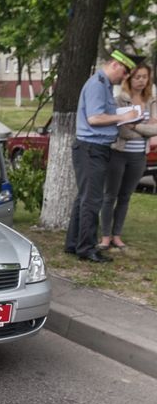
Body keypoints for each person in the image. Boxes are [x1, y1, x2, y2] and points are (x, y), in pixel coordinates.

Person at [64, 50, 142, 264]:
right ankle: (87, 249)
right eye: (125, 72)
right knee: (92, 200)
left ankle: (74, 244)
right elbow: (95, 118)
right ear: (115, 65)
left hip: (92, 148)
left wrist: (121, 119)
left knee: (84, 198)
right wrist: (122, 116)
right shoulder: (98, 84)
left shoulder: (104, 84)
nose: (125, 77)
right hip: (91, 148)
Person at [99, 62, 157, 250]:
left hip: (139, 156)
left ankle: (117, 236)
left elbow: (154, 130)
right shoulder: (119, 100)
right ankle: (105, 236)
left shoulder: (152, 101)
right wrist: (144, 129)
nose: (141, 81)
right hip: (118, 153)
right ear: (129, 78)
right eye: (137, 77)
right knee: (110, 196)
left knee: (125, 196)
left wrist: (137, 126)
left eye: (144, 77)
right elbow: (122, 130)